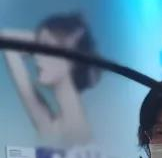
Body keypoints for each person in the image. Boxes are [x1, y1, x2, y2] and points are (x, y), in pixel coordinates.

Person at [2, 12, 100, 144]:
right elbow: (6, 37)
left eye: (46, 49)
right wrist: (44, 41)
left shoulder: (78, 131)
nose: (36, 56)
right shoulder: (50, 125)